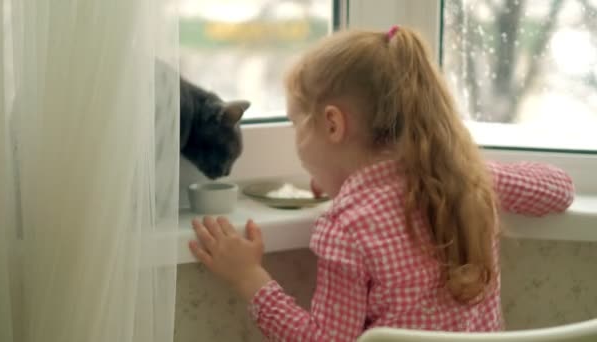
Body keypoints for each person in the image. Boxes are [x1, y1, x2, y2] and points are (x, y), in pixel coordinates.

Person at [188, 25, 575, 341]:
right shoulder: (466, 182)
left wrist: (248, 277)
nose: (296, 141)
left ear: (333, 125)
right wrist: (474, 169)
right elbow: (559, 189)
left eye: (295, 124)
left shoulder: (348, 228)